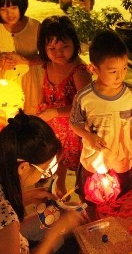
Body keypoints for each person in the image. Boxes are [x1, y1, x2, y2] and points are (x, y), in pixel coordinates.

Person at [0, 110, 87, 254]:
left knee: (68, 213)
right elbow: (2, 220)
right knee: (73, 242)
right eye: (44, 171)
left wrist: (28, 197)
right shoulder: (5, 221)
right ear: (23, 167)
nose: (43, 176)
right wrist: (53, 237)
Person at [69, 30, 132, 214]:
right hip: (93, 162)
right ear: (93, 69)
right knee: (91, 201)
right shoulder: (85, 97)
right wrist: (88, 136)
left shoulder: (131, 95)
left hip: (122, 161)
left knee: (121, 200)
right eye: (113, 71)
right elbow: (74, 123)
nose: (120, 76)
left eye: (125, 68)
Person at [36, 15, 92, 199]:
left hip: (73, 129)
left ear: (74, 44)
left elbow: (83, 104)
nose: (58, 53)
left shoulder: (79, 71)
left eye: (64, 47)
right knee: (58, 158)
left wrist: (56, 112)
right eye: (52, 48)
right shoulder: (47, 65)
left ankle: (81, 191)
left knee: (76, 163)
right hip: (53, 126)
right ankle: (59, 186)